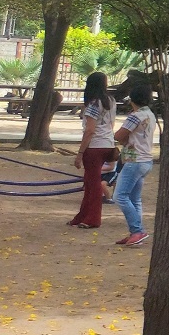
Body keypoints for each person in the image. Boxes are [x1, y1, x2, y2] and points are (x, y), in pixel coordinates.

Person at [112, 84, 158, 247]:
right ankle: (136, 232)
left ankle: (137, 230)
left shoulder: (135, 116)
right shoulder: (150, 115)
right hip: (145, 160)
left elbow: (119, 135)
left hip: (134, 160)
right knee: (134, 198)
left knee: (120, 196)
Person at [70, 73, 116, 229]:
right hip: (108, 143)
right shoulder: (110, 101)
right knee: (90, 182)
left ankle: (93, 218)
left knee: (93, 183)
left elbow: (90, 130)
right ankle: (83, 215)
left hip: (94, 146)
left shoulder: (94, 104)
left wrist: (80, 153)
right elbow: (111, 124)